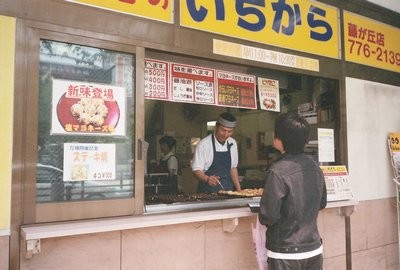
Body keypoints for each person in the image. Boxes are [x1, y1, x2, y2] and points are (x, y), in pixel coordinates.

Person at [258, 112, 327, 270]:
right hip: (313, 248)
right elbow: (322, 203)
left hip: (285, 252)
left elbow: (268, 215)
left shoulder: (277, 171)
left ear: (280, 139)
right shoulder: (315, 168)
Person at [191, 112, 241, 193]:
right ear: (216, 127)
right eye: (223, 130)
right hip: (207, 193)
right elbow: (196, 170)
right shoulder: (204, 144)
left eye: (230, 131)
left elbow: (233, 168)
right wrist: (207, 179)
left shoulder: (232, 143)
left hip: (228, 192)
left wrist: (239, 190)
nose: (226, 134)